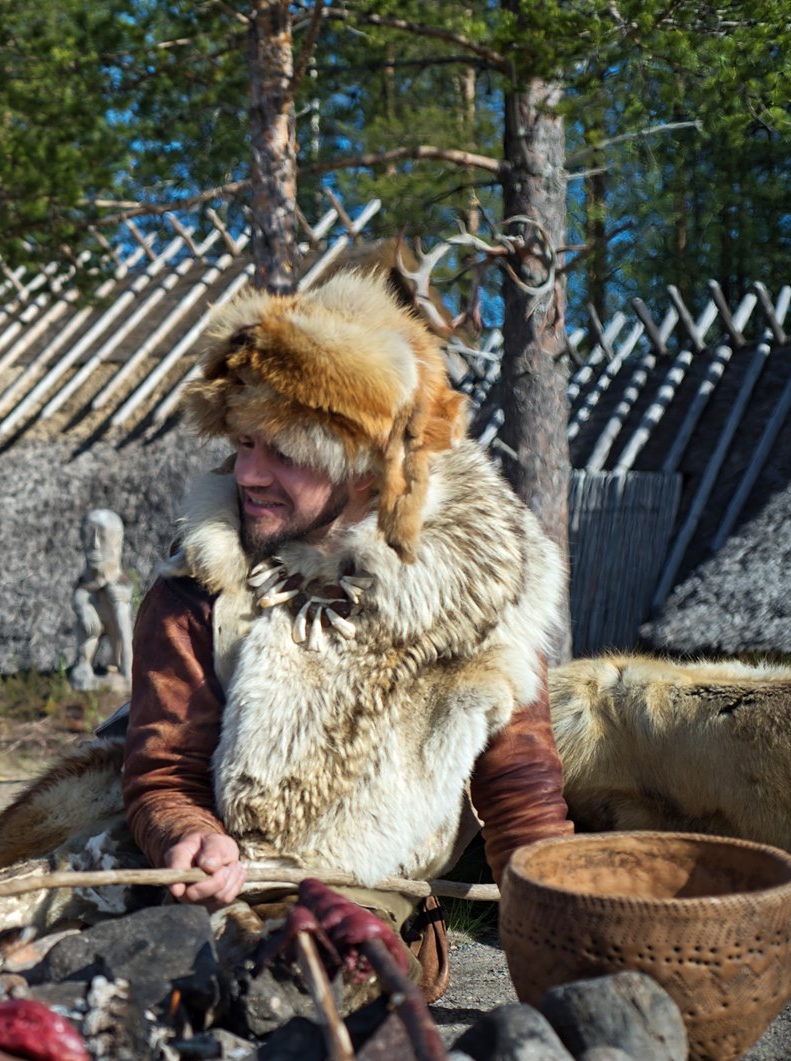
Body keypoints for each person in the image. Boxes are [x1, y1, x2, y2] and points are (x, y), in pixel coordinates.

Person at [121, 267, 574, 999]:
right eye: (242, 444)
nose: (248, 474)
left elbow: (522, 793)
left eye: (285, 453)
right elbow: (164, 769)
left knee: (304, 976)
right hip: (216, 884)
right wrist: (186, 831)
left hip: (365, 895)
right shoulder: (196, 591)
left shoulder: (485, 582)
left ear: (363, 468)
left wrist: (560, 937)